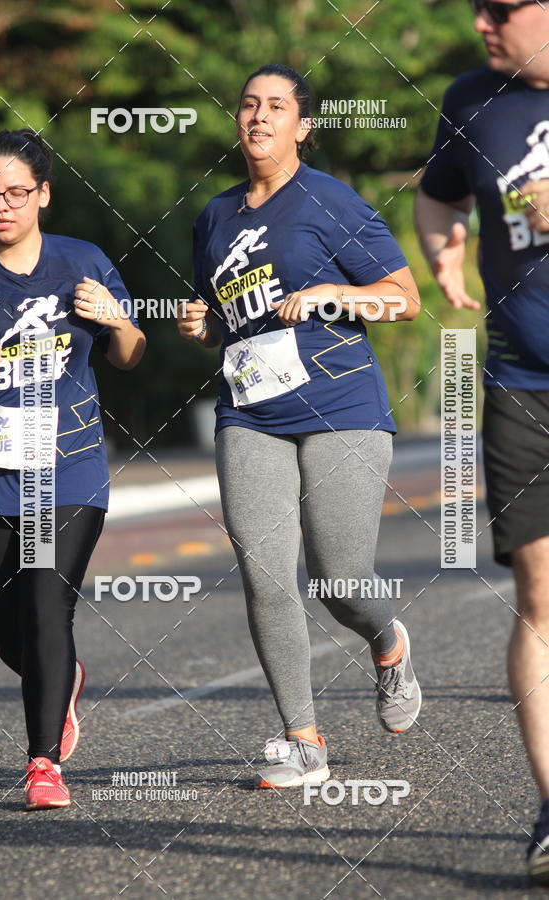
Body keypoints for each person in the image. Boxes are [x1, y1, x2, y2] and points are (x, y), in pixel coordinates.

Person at [177, 64, 422, 789]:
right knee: (264, 575)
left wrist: (333, 294)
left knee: (338, 577)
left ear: (302, 126)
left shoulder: (330, 200)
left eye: (275, 107)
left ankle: (387, 639)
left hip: (342, 406)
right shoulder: (216, 216)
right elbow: (223, 316)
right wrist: (202, 323)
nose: (257, 117)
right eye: (248, 104)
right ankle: (303, 742)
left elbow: (403, 300)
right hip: (251, 411)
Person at [0, 129, 146, 810]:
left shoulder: (81, 261)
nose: (0, 205)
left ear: (43, 195)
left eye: (15, 192)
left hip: (66, 471)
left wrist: (116, 318)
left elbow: (129, 352)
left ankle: (41, 763)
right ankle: (63, 681)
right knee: (11, 630)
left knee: (44, 603)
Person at [415, 0, 549, 882]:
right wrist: (443, 252)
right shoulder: (473, 101)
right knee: (541, 597)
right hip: (519, 384)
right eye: (476, 8)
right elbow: (438, 195)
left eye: (501, 7)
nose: (481, 23)